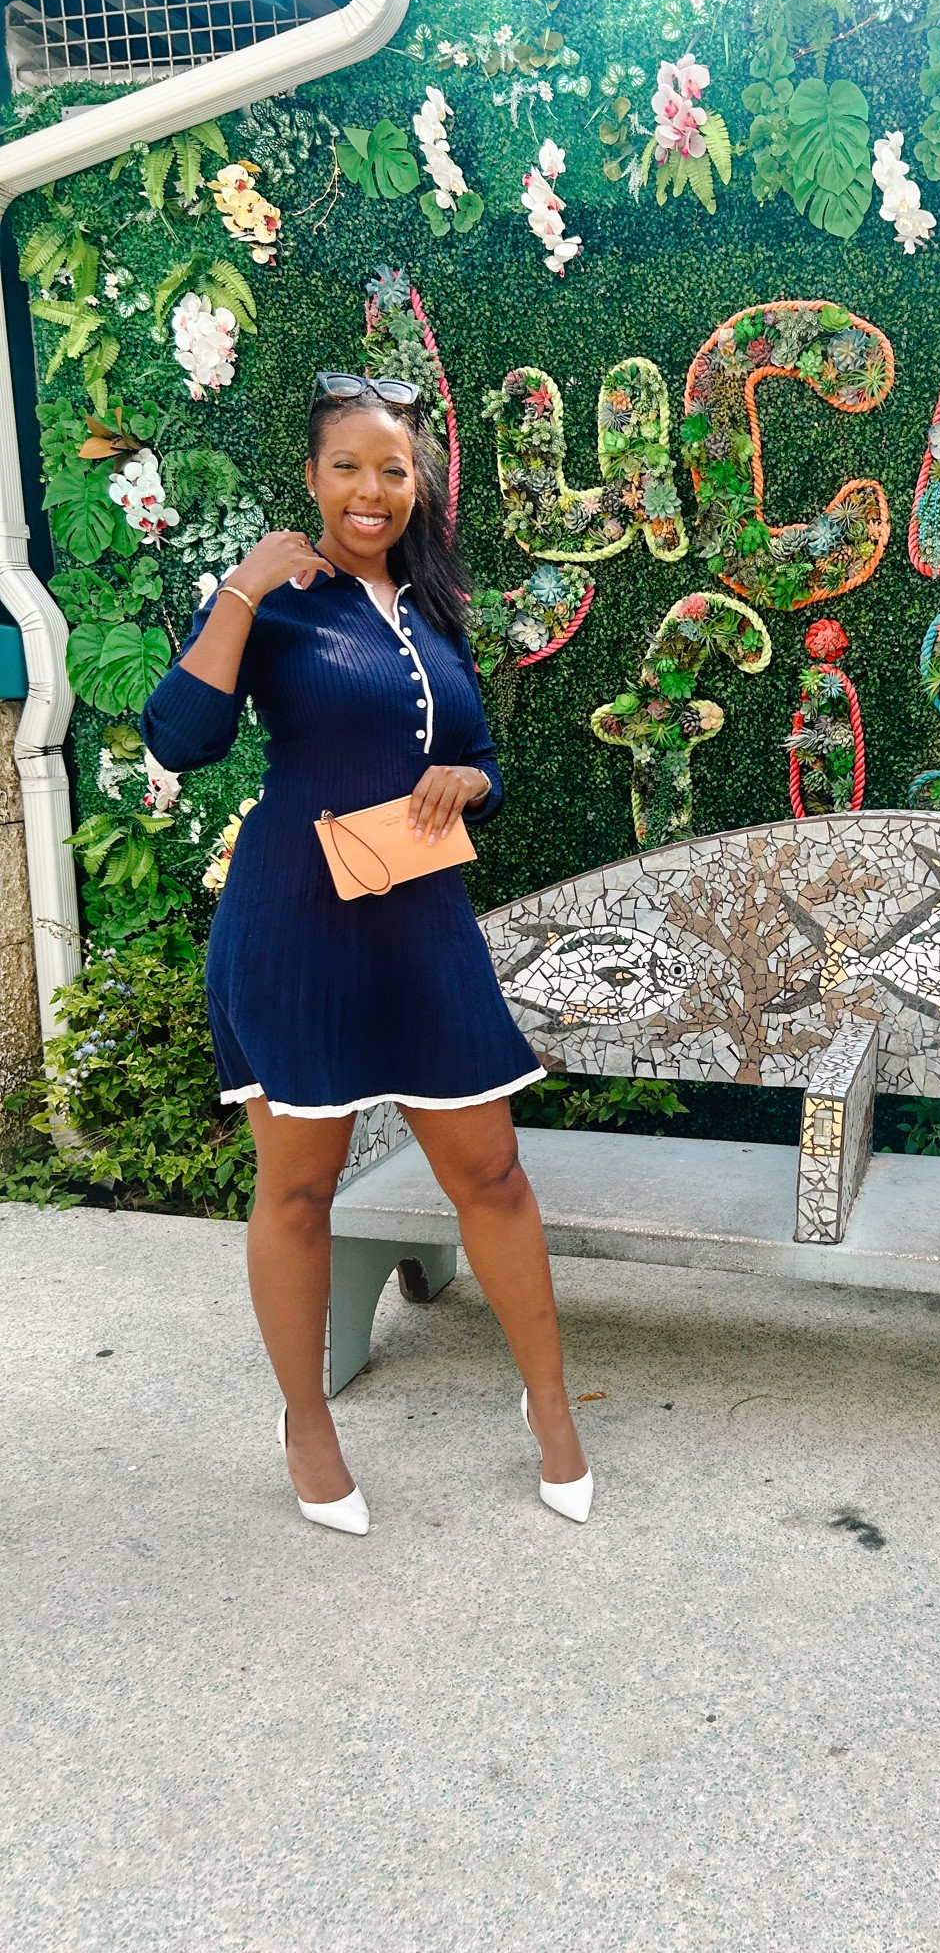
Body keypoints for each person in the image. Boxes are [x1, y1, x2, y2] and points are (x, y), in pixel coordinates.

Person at [141, 373, 592, 1535]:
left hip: (420, 924)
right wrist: (239, 590)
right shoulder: (273, 602)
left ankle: (551, 1407)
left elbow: (483, 756)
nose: (371, 489)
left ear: (417, 482)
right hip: (295, 924)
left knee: (490, 1171)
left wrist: (471, 778)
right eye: (348, 465)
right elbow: (180, 739)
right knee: (298, 1188)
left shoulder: (434, 606)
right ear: (311, 478)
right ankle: (306, 1424)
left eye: (393, 468)